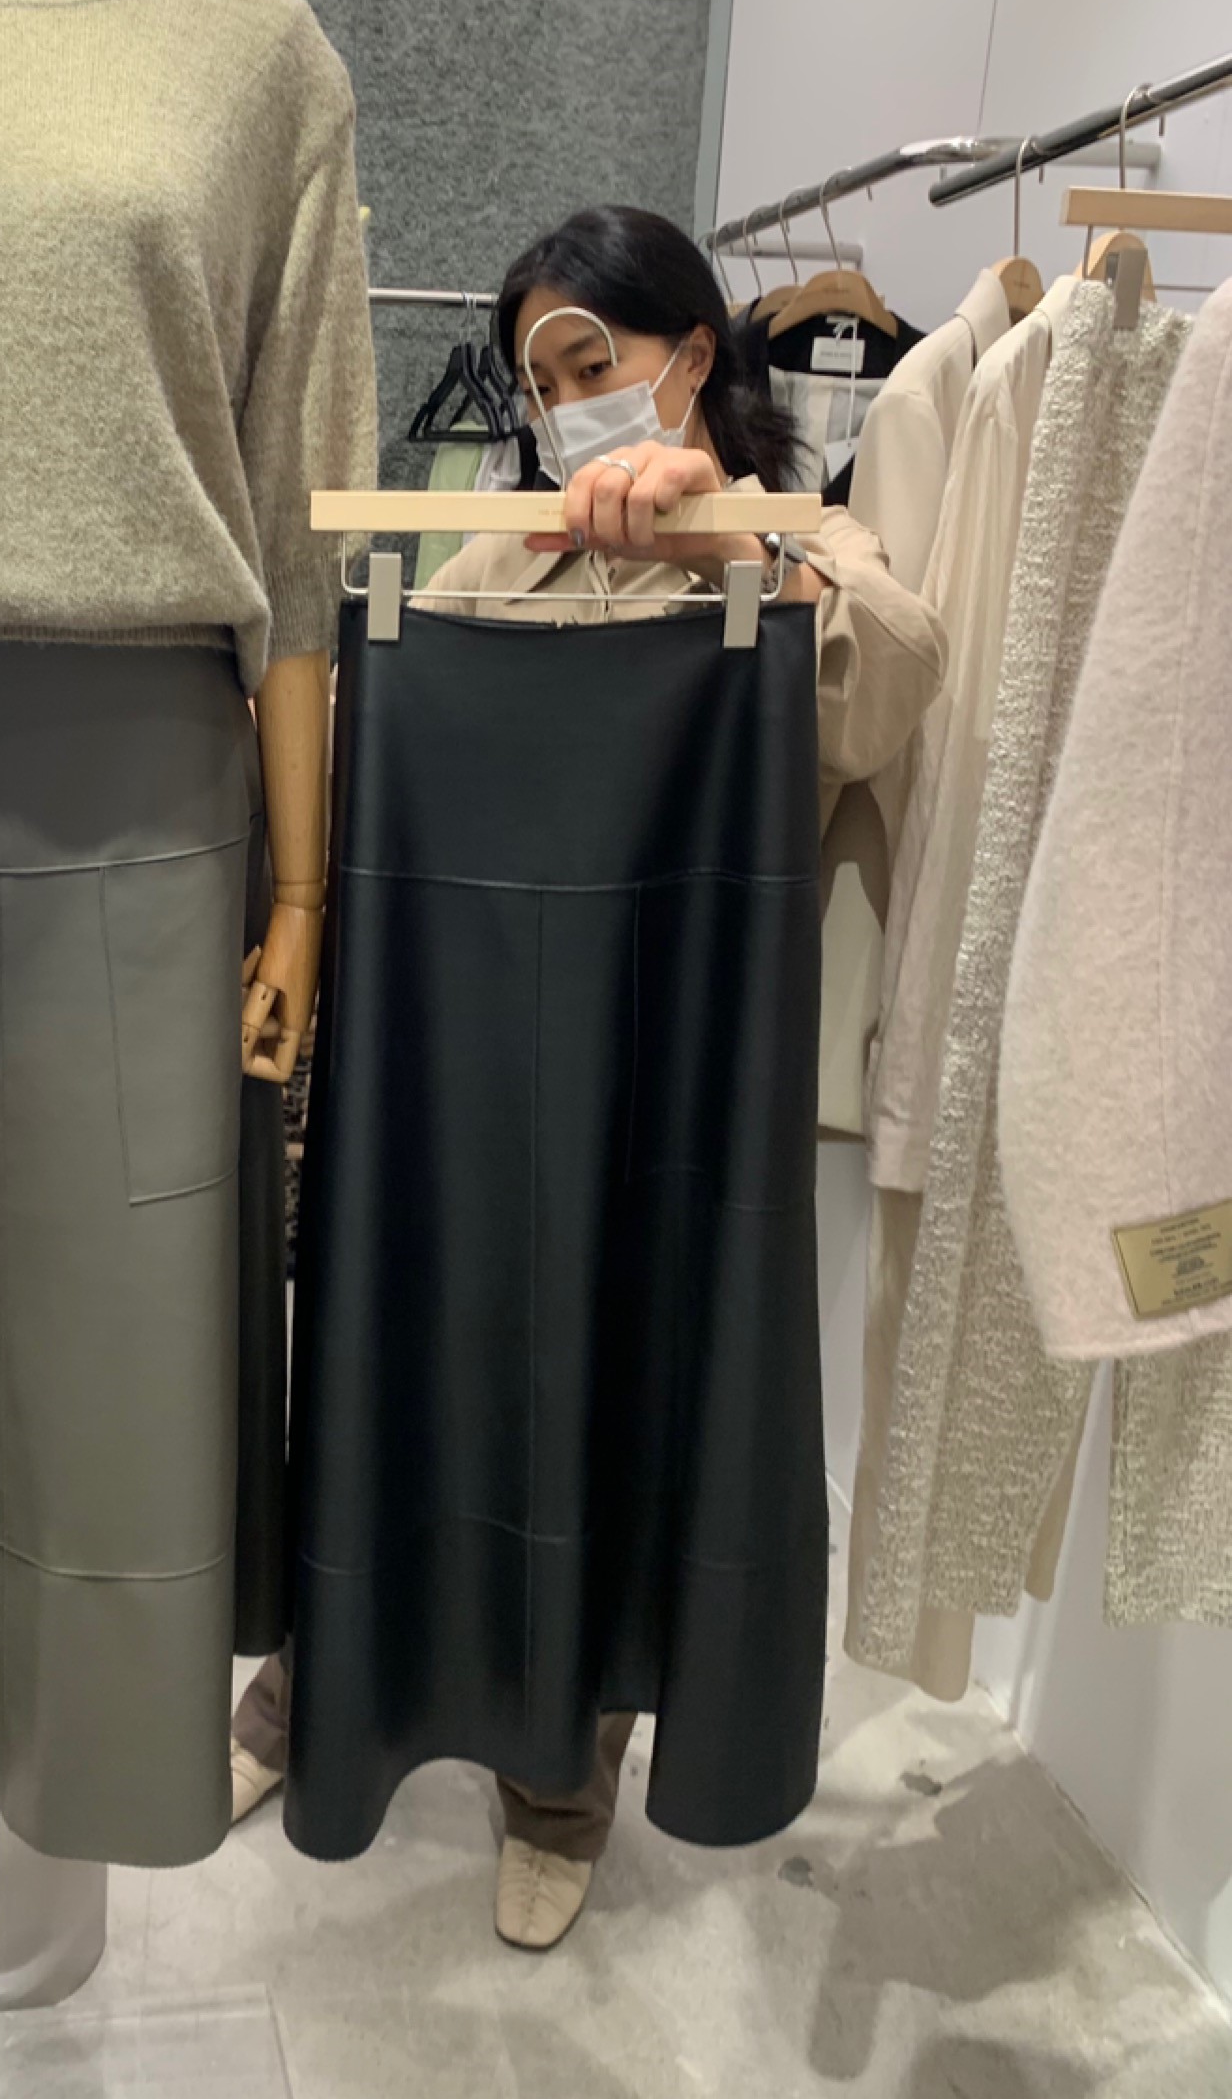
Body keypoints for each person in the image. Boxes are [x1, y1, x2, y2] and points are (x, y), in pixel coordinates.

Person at [231, 205, 947, 1951]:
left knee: (617, 1412)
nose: (565, 409)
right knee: (405, 1361)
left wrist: (731, 539)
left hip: (665, 1097)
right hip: (463, 1078)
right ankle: (310, 1698)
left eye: (589, 364)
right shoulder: (493, 560)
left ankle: (559, 1779)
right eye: (539, 383)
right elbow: (381, 733)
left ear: (691, 354)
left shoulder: (801, 547)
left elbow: (894, 681)